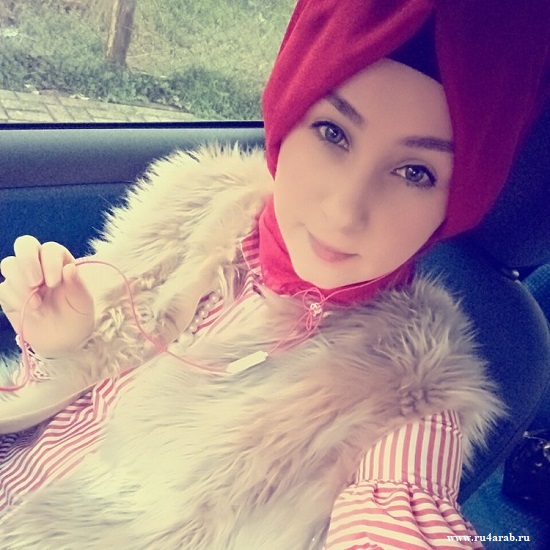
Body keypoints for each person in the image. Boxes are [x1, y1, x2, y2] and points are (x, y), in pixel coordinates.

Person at [0, 0, 548, 548]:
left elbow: (399, 520)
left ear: (458, 200)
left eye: (414, 172)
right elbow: (65, 402)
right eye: (332, 132)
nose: (344, 211)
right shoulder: (192, 208)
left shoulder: (412, 396)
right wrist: (59, 347)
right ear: (288, 115)